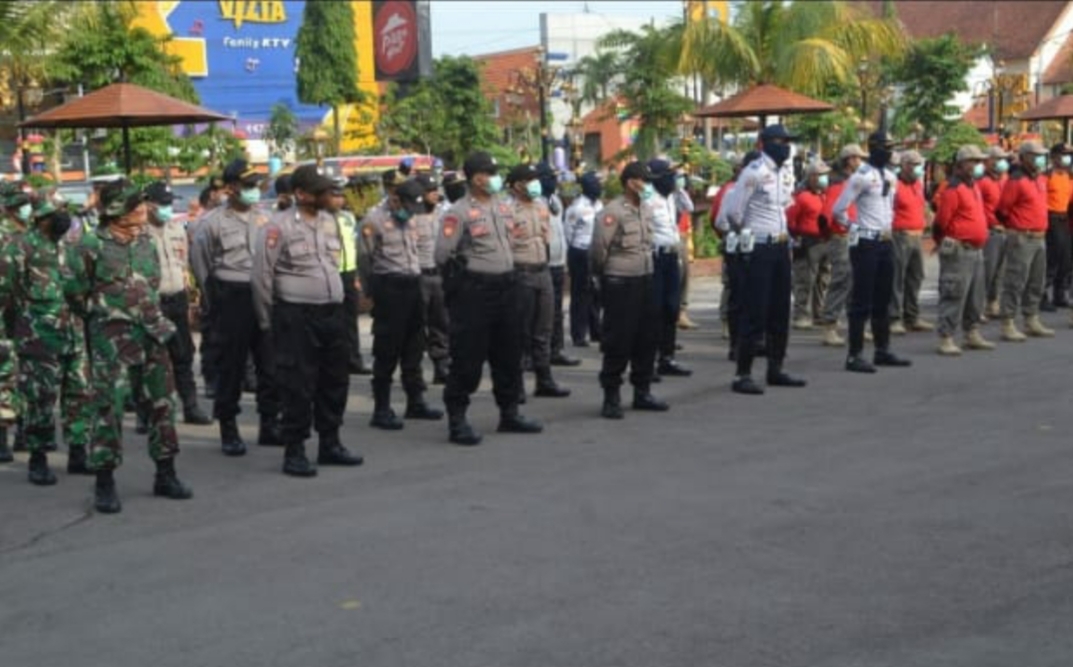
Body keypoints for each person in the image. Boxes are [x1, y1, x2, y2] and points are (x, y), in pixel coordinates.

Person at [69, 180, 192, 514]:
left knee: (162, 405)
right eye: (135, 205)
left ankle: (166, 474)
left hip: (152, 336)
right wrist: (105, 316)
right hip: (112, 341)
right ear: (115, 210)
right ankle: (104, 482)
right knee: (108, 409)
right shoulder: (90, 245)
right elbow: (75, 292)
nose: (142, 209)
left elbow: (152, 286)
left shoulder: (146, 241)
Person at [252, 165, 364, 477]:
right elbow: (261, 276)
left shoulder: (330, 222)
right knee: (298, 384)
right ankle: (295, 450)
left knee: (334, 381)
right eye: (321, 190)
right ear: (301, 194)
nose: (329, 194)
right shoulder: (278, 226)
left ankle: (330, 443)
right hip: (296, 315)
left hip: (331, 312)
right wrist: (268, 321)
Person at [433, 151, 543, 446]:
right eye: (489, 173)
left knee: (509, 354)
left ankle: (510, 413)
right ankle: (457, 419)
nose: (495, 177)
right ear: (475, 178)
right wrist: (460, 285)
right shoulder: (457, 212)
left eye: (495, 172)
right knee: (468, 357)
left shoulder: (504, 207)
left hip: (508, 286)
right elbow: (442, 254)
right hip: (476, 291)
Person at [191, 159, 281, 456]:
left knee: (269, 364)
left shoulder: (265, 218)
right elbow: (201, 265)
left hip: (263, 295)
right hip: (231, 296)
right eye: (247, 185)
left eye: (256, 185)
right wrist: (214, 300)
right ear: (230, 188)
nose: (254, 190)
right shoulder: (212, 223)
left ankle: (270, 424)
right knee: (230, 367)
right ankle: (228, 428)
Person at [0, 199, 93, 483]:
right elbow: (7, 291)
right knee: (40, 398)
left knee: (79, 393)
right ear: (41, 218)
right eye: (56, 214)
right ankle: (38, 459)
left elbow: (80, 285)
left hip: (73, 334)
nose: (62, 219)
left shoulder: (69, 246)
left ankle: (78, 453)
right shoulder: (20, 247)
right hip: (39, 336)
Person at [722, 125, 808, 394]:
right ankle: (743, 374)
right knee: (755, 311)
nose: (786, 146)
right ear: (766, 143)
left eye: (788, 142)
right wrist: (750, 234)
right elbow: (734, 213)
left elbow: (783, 207)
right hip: (759, 247)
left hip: (781, 246)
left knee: (780, 311)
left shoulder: (783, 172)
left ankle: (776, 368)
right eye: (781, 141)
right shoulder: (754, 172)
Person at [357, 178, 444, 430]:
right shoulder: (373, 221)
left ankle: (415, 401)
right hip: (389, 286)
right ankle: (381, 408)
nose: (412, 213)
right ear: (395, 199)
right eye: (408, 207)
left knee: (414, 348)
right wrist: (371, 292)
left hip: (414, 283)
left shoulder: (414, 217)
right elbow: (365, 259)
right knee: (387, 350)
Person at [590, 161, 668, 417]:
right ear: (631, 182)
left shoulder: (645, 209)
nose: (648, 186)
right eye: (645, 181)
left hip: (645, 278)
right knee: (618, 340)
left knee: (646, 339)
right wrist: (604, 276)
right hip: (620, 282)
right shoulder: (613, 211)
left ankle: (642, 391)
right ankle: (611, 396)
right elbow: (598, 249)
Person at [832, 131, 912, 373]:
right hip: (866, 241)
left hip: (886, 240)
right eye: (885, 147)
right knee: (861, 299)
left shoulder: (890, 175)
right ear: (874, 148)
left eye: (891, 147)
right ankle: (854, 355)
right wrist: (853, 227)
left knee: (883, 298)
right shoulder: (861, 176)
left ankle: (882, 349)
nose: (889, 152)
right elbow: (838, 209)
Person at [142, 182, 212, 425]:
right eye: (162, 203)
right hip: (152, 301)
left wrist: (192, 298)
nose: (167, 208)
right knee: (151, 359)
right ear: (148, 204)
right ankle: (147, 412)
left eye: (169, 203)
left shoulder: (176, 229)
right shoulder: (139, 233)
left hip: (177, 299)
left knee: (183, 355)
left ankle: (191, 407)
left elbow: (184, 265)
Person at [506, 162, 571, 400]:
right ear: (516, 186)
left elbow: (545, 239)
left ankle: (544, 380)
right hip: (520, 273)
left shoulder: (542, 206)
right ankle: (515, 385)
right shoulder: (507, 211)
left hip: (543, 271)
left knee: (544, 330)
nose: (535, 183)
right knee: (519, 332)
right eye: (529, 180)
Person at [932, 145, 993, 355]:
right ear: (961, 164)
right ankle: (946, 337)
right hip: (959, 249)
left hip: (976, 249)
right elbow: (941, 222)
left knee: (976, 294)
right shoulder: (953, 189)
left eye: (979, 161)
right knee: (954, 293)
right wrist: (943, 242)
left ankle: (971, 332)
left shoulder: (973, 186)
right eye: (973, 161)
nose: (978, 165)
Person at [995, 140, 1053, 340]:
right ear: (1025, 157)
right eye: (1035, 155)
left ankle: (1031, 318)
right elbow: (1002, 209)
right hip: (1022, 236)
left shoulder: (1040, 179)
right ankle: (1008, 322)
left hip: (1039, 236)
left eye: (1041, 155)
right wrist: (1014, 228)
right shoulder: (1016, 180)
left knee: (1037, 280)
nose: (1039, 159)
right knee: (1015, 280)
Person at [645, 159, 691, 378]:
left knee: (672, 308)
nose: (673, 179)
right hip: (655, 257)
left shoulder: (671, 197)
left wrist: (679, 190)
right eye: (669, 175)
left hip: (672, 256)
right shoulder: (647, 198)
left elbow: (689, 208)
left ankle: (667, 358)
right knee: (654, 310)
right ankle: (649, 360)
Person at [818, 144, 866, 347]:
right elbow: (826, 216)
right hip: (841, 237)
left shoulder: (853, 182)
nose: (860, 162)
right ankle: (829, 325)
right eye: (857, 158)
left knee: (854, 282)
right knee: (841, 280)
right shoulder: (838, 185)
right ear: (849, 160)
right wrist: (831, 237)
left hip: (852, 236)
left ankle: (855, 325)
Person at [325, 177, 371, 375]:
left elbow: (354, 246)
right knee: (331, 321)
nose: (339, 200)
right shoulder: (320, 219)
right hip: (330, 275)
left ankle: (354, 360)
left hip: (349, 273)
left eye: (341, 196)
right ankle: (333, 362)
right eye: (334, 196)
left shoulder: (348, 218)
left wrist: (358, 276)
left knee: (350, 321)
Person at [538, 162, 578, 367]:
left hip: (558, 262)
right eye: (549, 177)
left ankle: (556, 350)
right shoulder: (534, 202)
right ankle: (537, 354)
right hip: (541, 263)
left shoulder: (555, 201)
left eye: (554, 177)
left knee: (556, 311)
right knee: (540, 313)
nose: (553, 181)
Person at [412, 172, 451, 384]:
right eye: (430, 191)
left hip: (439, 275)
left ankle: (441, 365)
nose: (435, 194)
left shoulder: (441, 215)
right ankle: (414, 370)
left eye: (436, 190)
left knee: (441, 322)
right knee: (417, 326)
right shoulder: (411, 218)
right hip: (418, 276)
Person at [889, 149, 933, 334]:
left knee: (916, 277)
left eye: (919, 164)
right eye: (914, 164)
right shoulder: (894, 185)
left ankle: (911, 316)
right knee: (897, 278)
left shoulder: (918, 184)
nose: (917, 168)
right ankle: (893, 318)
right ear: (904, 166)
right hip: (900, 236)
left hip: (917, 236)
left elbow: (922, 206)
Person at [787, 160, 832, 330]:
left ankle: (818, 313)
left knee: (823, 280)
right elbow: (790, 220)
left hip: (825, 241)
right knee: (804, 280)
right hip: (807, 243)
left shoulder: (826, 195)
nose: (825, 178)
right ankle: (801, 315)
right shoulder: (801, 197)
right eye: (821, 175)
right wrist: (797, 238)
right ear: (812, 177)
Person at [564, 171, 603, 347]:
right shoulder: (577, 207)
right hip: (580, 251)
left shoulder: (599, 205)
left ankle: (596, 330)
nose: (598, 186)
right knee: (580, 294)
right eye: (595, 184)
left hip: (596, 252)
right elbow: (568, 232)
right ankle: (579, 334)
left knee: (596, 293)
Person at [979, 145, 1010, 318]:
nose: (1001, 162)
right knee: (987, 270)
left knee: (1000, 272)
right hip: (990, 231)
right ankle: (980, 304)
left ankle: (993, 302)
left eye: (1003, 159)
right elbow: (979, 207)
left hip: (1005, 230)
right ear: (988, 161)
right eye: (997, 159)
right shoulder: (982, 182)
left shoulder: (1005, 180)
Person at [1043, 143, 1073, 310]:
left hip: (1064, 218)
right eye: (1064, 154)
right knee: (1052, 259)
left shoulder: (1069, 176)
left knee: (1065, 259)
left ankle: (1060, 294)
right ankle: (1043, 295)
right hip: (1051, 218)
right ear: (1054, 157)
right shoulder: (1047, 176)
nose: (1067, 158)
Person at [675, 172, 700, 330]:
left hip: (682, 236)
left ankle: (681, 312)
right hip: (671, 237)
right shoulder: (659, 195)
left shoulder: (679, 195)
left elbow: (689, 207)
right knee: (675, 277)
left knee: (684, 276)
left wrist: (680, 190)